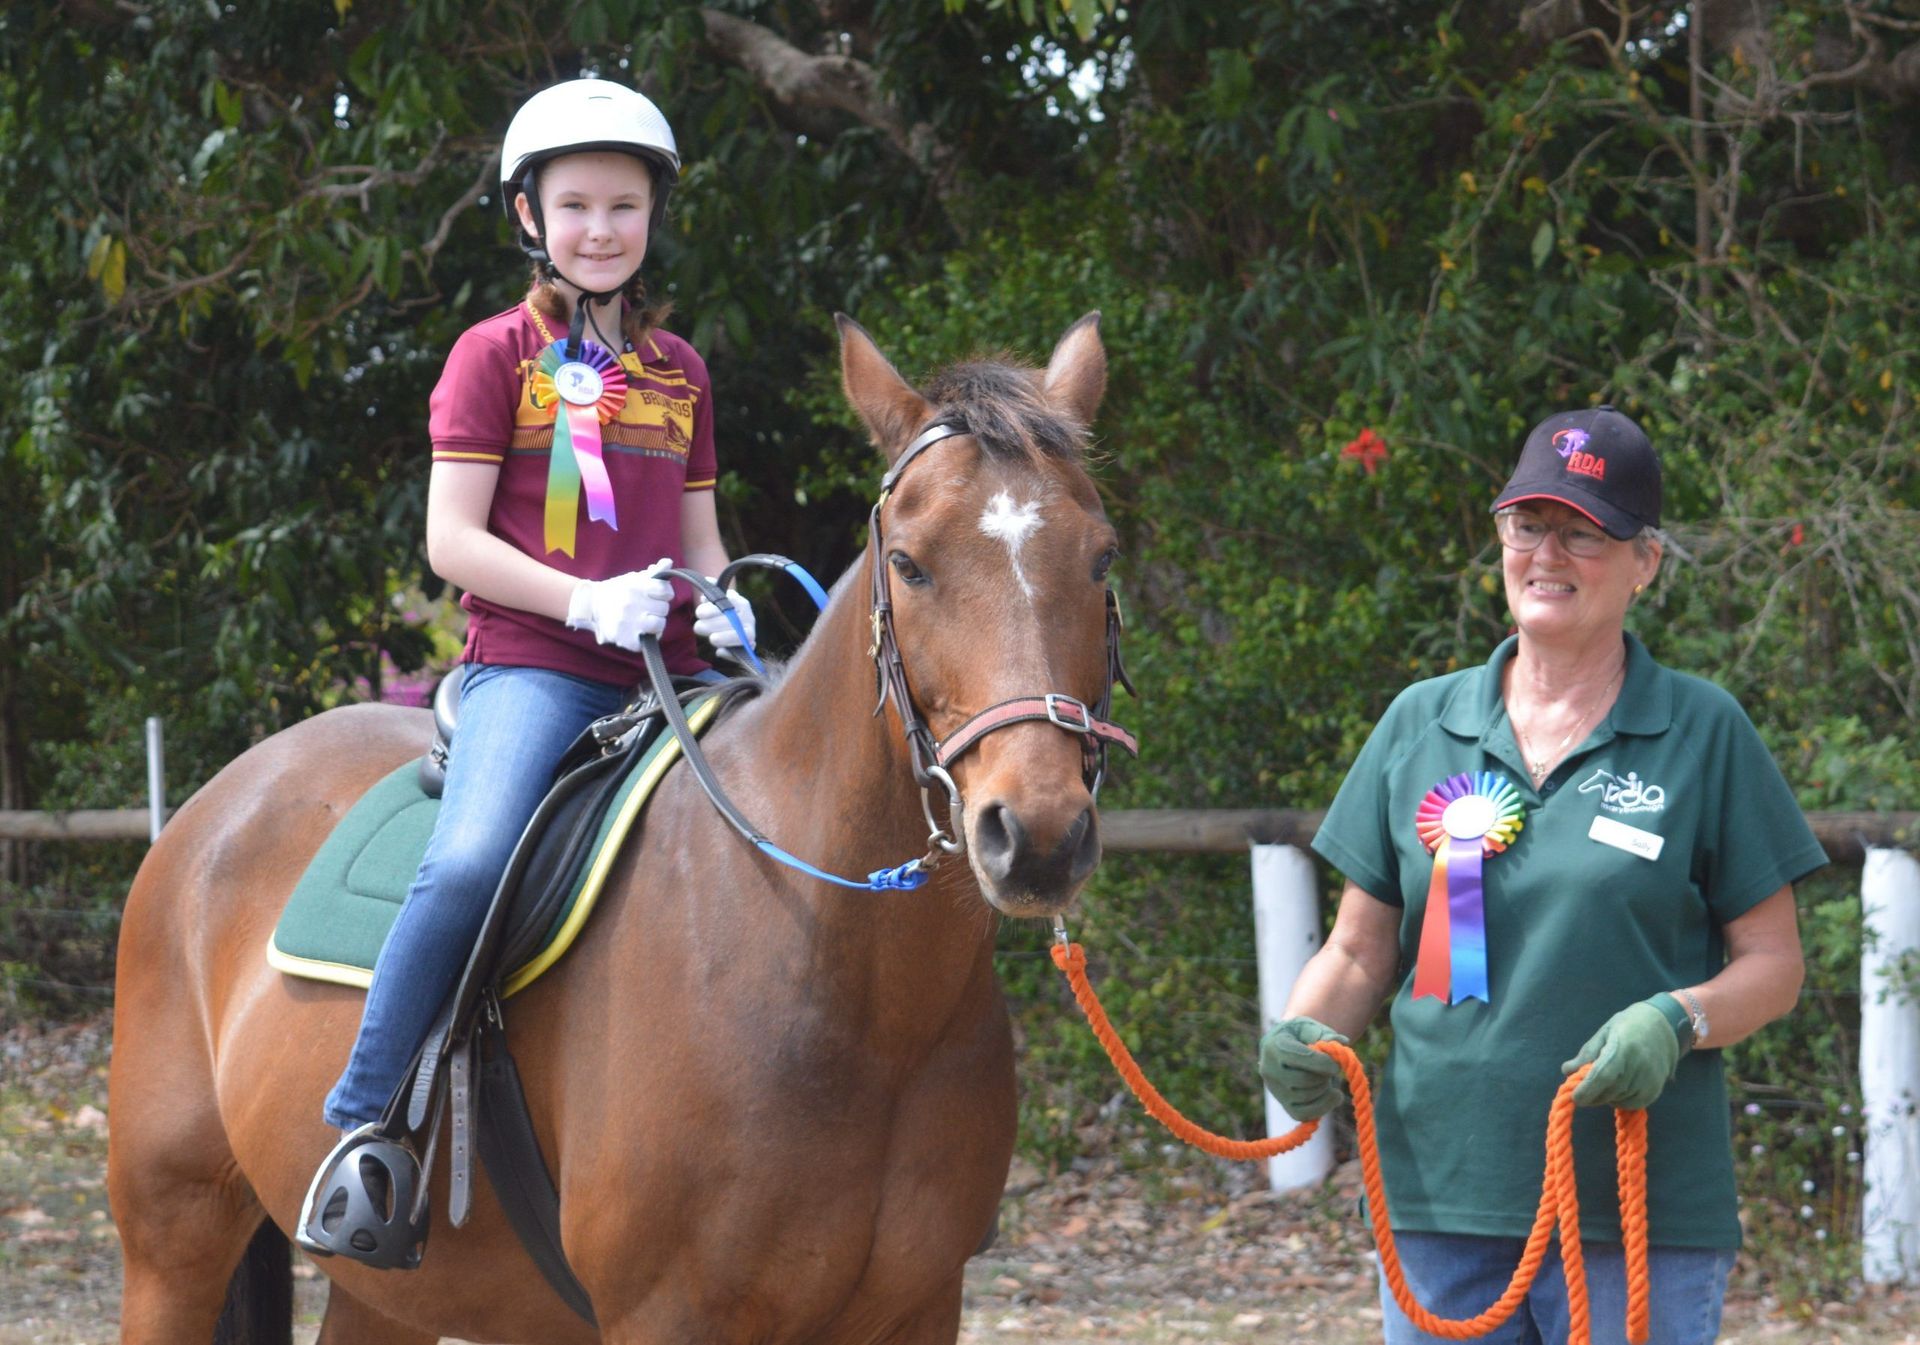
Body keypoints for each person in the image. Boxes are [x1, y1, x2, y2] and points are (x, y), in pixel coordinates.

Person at [299, 77, 756, 1265]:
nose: (600, 228)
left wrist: (727, 603)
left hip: (671, 676)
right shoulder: (491, 354)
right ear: (528, 215)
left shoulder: (681, 373)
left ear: (654, 215)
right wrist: (583, 600)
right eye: (575, 206)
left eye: (623, 205)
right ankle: (364, 1128)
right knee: (468, 862)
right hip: (537, 668)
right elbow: (450, 541)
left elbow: (698, 539)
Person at [1260, 406, 1827, 1344]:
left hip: (1636, 1210)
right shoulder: (1420, 722)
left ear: (1646, 560)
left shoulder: (1704, 730)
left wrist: (1675, 1018)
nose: (1547, 553)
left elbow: (1775, 964)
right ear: (1500, 538)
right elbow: (1360, 950)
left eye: (1585, 532)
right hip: (1440, 1199)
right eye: (1529, 525)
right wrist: (1306, 1028)